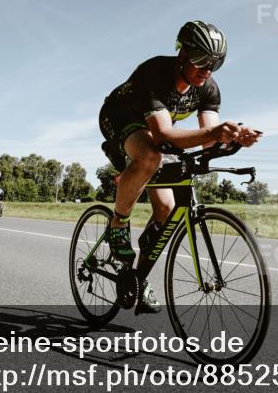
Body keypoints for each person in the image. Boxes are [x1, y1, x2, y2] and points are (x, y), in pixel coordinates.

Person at [98, 21, 261, 313]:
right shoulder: (155, 72)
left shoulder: (209, 89)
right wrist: (215, 134)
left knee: (167, 208)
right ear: (182, 53)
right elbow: (162, 135)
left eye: (215, 62)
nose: (207, 69)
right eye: (200, 59)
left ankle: (135, 280)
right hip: (120, 117)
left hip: (154, 127)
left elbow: (208, 140)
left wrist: (234, 138)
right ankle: (118, 224)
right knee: (150, 156)